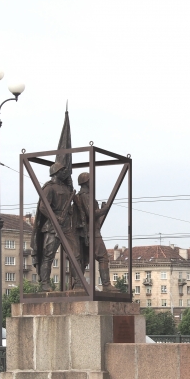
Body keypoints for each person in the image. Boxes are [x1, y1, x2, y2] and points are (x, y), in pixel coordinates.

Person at [31, 110, 81, 291]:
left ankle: (78, 284)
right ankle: (44, 283)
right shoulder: (49, 188)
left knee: (75, 254)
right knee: (48, 256)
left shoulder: (66, 188)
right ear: (55, 172)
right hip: (53, 226)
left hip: (66, 225)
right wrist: (55, 218)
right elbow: (44, 208)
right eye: (62, 171)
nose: (64, 172)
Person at [73, 172, 117, 291]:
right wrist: (104, 210)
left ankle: (78, 284)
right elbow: (91, 214)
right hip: (91, 232)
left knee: (83, 259)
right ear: (86, 182)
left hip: (86, 232)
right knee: (103, 257)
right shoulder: (86, 196)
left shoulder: (82, 196)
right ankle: (106, 285)